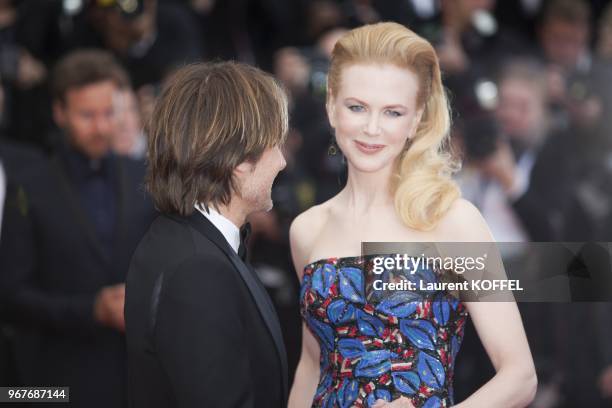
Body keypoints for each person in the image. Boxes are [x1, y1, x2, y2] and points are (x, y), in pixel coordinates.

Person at [288, 22, 537, 407]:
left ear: (417, 118)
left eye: (392, 112)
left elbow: (519, 376)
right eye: (357, 107)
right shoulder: (307, 229)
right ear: (331, 104)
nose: (371, 128)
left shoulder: (453, 220)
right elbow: (311, 364)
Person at [124, 61, 289, 407]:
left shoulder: (180, 239)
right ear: (241, 159)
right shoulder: (197, 270)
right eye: (276, 144)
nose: (282, 162)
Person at [0, 49, 156, 407]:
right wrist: (90, 310)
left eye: (108, 113)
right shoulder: (28, 187)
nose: (101, 127)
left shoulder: (143, 179)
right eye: (87, 115)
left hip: (137, 380)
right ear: (59, 113)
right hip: (55, 382)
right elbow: (10, 295)